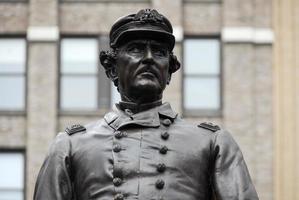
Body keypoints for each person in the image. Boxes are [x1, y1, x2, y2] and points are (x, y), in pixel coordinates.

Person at [34, 9, 259, 200]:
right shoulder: (71, 145)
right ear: (112, 68)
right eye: (135, 49)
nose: (149, 58)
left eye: (160, 52)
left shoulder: (211, 142)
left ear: (169, 72)